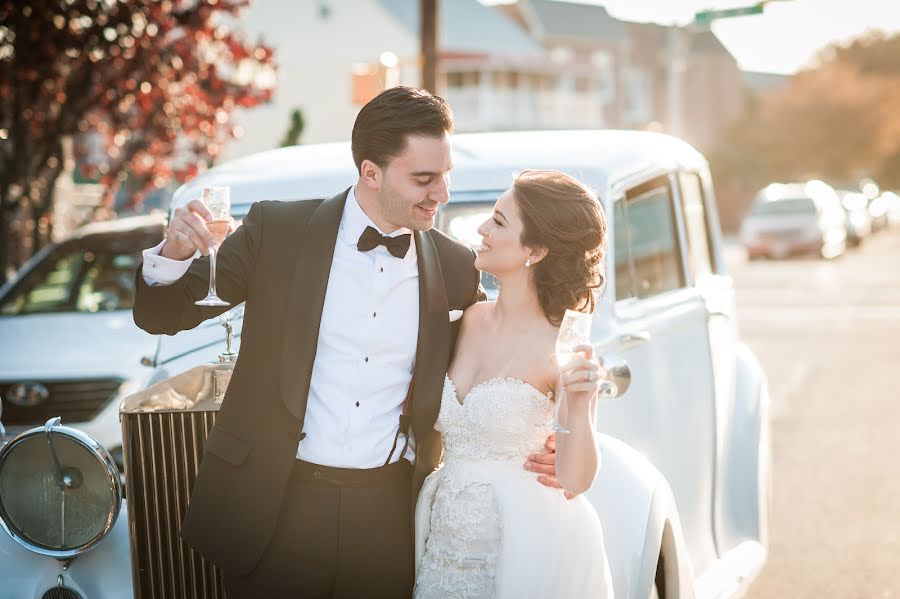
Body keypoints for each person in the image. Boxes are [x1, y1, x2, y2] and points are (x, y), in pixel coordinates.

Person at [132, 87, 564, 598]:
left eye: (446, 175)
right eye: (424, 179)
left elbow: (496, 367)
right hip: (273, 505)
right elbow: (163, 316)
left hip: (388, 516)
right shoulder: (277, 230)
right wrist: (175, 253)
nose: (441, 193)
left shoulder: (455, 266)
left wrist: (553, 439)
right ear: (371, 172)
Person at [414, 170, 615, 598]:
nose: (483, 230)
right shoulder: (467, 319)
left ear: (537, 250)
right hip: (445, 545)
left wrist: (579, 405)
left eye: (500, 222)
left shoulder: (564, 346)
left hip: (523, 544)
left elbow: (576, 479)